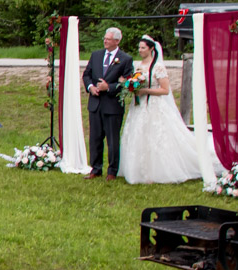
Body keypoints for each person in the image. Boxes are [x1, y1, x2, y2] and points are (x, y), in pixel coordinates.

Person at [121, 36, 222, 185]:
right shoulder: (139, 65)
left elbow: (165, 90)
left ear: (151, 49)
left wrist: (146, 91)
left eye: (143, 48)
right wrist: (132, 87)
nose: (140, 50)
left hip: (155, 105)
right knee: (139, 134)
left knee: (157, 136)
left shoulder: (158, 67)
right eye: (139, 48)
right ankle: (140, 170)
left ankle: (160, 170)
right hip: (140, 106)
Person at [84, 27, 133, 180]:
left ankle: (112, 170)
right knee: (95, 138)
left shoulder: (125, 59)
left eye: (109, 39)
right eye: (104, 38)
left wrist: (109, 87)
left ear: (117, 41)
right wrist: (90, 87)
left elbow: (128, 83)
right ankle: (95, 168)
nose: (105, 41)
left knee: (112, 140)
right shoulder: (96, 55)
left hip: (112, 105)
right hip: (96, 103)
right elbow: (87, 74)